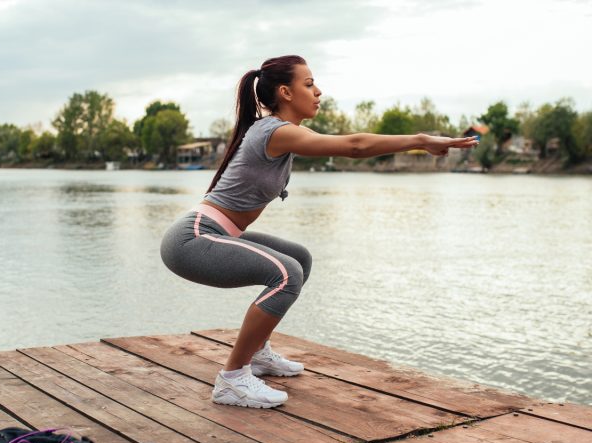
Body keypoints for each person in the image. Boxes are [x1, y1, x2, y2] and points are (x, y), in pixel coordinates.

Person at [160, 54, 478, 409]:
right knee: (286, 274)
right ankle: (232, 380)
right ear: (286, 92)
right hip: (194, 239)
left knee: (299, 258)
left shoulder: (285, 133)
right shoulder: (273, 132)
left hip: (215, 233)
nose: (318, 92)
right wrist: (421, 138)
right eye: (309, 85)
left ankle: (258, 354)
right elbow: (355, 146)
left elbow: (352, 146)